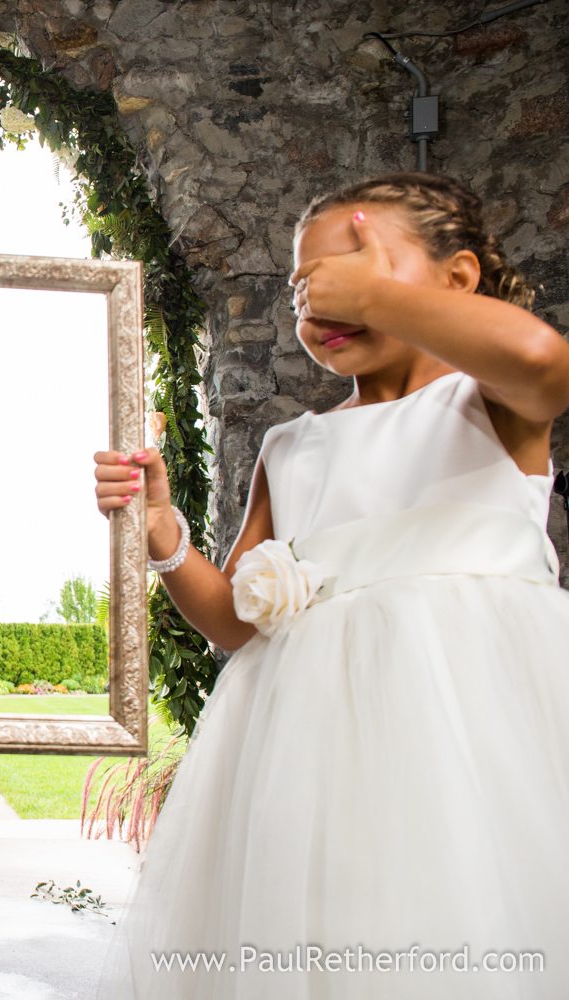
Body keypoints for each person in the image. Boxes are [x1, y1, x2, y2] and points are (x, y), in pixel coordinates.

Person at [94, 172, 569, 997]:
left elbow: (539, 356)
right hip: (307, 759)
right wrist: (162, 534)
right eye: (304, 285)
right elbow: (236, 624)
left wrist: (376, 295)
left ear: (458, 280)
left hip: (473, 736)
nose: (324, 297)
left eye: (355, 267)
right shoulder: (293, 445)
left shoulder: (489, 403)